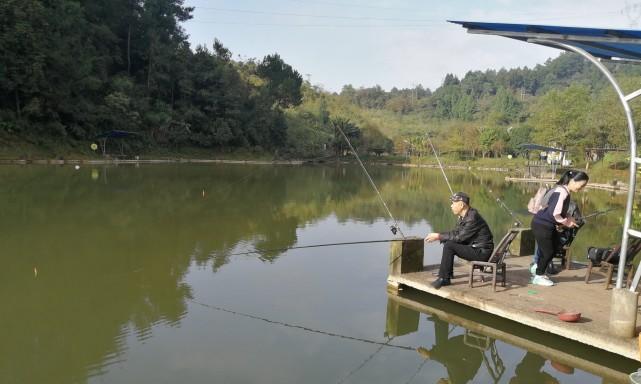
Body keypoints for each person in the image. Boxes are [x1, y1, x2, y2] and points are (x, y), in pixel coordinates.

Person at [530, 170, 589, 286]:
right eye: (581, 185)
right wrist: (567, 223)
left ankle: (538, 268)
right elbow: (554, 214)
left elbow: (558, 211)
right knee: (549, 251)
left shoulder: (564, 191)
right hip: (542, 224)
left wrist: (568, 217)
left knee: (552, 248)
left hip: (543, 224)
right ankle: (538, 275)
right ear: (573, 181)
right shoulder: (562, 192)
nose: (581, 188)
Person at [425, 192, 494, 289]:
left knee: (449, 245)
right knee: (449, 241)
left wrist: (438, 236)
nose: (451, 206)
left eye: (453, 203)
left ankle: (444, 279)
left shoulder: (472, 218)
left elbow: (459, 238)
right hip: (476, 248)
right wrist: (440, 236)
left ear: (461, 205)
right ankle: (447, 273)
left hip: (481, 252)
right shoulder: (465, 216)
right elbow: (455, 233)